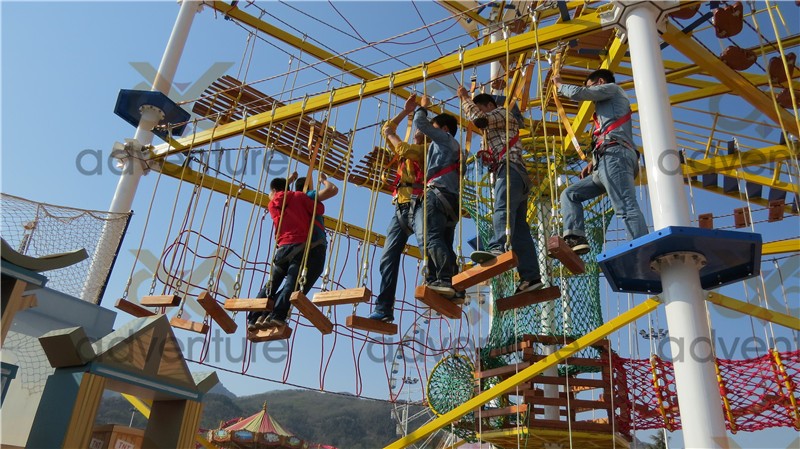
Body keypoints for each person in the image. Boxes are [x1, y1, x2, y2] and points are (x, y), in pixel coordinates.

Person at [457, 87, 543, 294]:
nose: (481, 112)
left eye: (482, 108)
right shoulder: (498, 125)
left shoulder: (502, 113)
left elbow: (478, 120)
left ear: (489, 105)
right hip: (515, 173)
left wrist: (464, 99)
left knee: (502, 209)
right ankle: (531, 277)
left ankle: (497, 246)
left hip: (510, 170)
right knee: (519, 229)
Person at [553, 69, 648, 254]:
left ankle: (642, 247)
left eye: (590, 86)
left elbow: (578, 94)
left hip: (614, 156)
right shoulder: (611, 104)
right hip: (606, 159)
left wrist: (559, 84)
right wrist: (594, 162)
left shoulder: (611, 88)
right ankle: (575, 237)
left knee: (626, 206)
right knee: (569, 194)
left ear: (600, 82)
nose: (590, 92)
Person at [368, 96, 426, 323]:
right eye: (416, 131)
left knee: (427, 246)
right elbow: (387, 128)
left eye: (421, 131)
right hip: (401, 209)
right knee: (387, 257)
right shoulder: (409, 151)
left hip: (421, 203)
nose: (417, 134)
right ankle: (384, 308)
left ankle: (438, 284)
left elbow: (398, 144)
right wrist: (405, 112)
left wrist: (394, 135)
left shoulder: (427, 150)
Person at [248, 174, 328, 330]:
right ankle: (277, 315)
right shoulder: (298, 197)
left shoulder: (273, 204)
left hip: (282, 249)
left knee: (271, 285)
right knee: (290, 284)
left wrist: (288, 181)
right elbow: (319, 208)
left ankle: (254, 317)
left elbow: (274, 194)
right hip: (298, 247)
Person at [412, 94, 463, 299]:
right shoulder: (458, 149)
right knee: (444, 242)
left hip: (437, 194)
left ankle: (443, 279)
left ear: (444, 129)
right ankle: (452, 283)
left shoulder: (445, 139)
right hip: (451, 199)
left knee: (432, 236)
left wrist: (422, 108)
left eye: (435, 128)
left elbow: (419, 123)